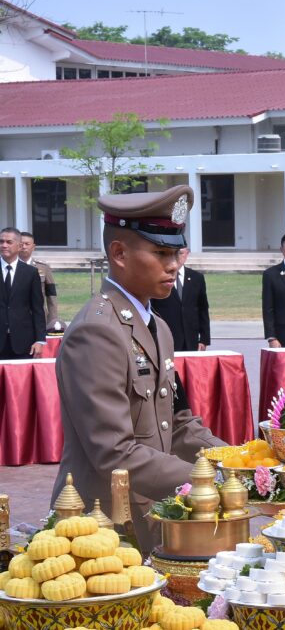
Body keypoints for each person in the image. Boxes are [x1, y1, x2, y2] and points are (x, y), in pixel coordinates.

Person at [49, 185, 225, 553]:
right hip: (101, 528)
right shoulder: (97, 331)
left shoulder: (156, 325)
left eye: (175, 252)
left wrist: (241, 460)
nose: (173, 265)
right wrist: (213, 479)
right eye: (161, 253)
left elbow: (178, 424)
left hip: (148, 514)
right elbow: (114, 453)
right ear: (119, 253)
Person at [150, 247, 211, 351]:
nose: (177, 256)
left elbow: (203, 309)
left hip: (191, 339)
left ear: (187, 254)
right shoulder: (158, 277)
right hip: (165, 338)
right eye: (175, 253)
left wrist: (204, 339)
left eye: (181, 253)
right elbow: (151, 308)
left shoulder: (197, 278)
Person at [0, 227, 46, 359]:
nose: (4, 245)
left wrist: (40, 340)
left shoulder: (30, 273)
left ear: (19, 246)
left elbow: (37, 309)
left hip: (23, 342)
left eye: (9, 242)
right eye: (1, 241)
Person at [19, 231, 60, 331]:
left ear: (33, 247)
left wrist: (52, 319)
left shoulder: (43, 267)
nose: (24, 247)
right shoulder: (9, 267)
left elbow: (51, 295)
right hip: (16, 316)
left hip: (38, 316)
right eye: (21, 244)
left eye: (27, 244)